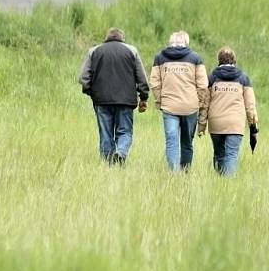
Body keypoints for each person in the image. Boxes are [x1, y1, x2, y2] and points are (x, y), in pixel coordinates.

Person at [79, 27, 149, 164]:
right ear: (122, 38)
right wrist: (144, 96)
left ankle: (108, 163)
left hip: (101, 100)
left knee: (106, 133)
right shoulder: (132, 51)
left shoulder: (94, 51)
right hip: (126, 100)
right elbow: (141, 77)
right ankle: (121, 153)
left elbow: (83, 77)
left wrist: (91, 92)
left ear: (107, 38)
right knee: (125, 131)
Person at [150, 31, 208, 171]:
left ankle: (174, 173)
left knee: (171, 140)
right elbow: (203, 85)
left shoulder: (160, 58)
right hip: (191, 107)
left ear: (170, 43)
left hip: (169, 107)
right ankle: (185, 171)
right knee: (187, 142)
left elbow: (155, 83)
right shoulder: (195, 58)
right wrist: (199, 102)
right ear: (186, 43)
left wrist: (160, 100)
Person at [198, 47, 258, 176]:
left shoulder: (212, 78)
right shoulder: (243, 79)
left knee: (219, 154)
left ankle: (220, 182)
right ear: (234, 60)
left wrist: (201, 125)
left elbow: (204, 104)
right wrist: (253, 127)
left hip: (216, 123)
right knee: (231, 155)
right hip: (235, 124)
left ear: (219, 60)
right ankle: (228, 185)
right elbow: (250, 106)